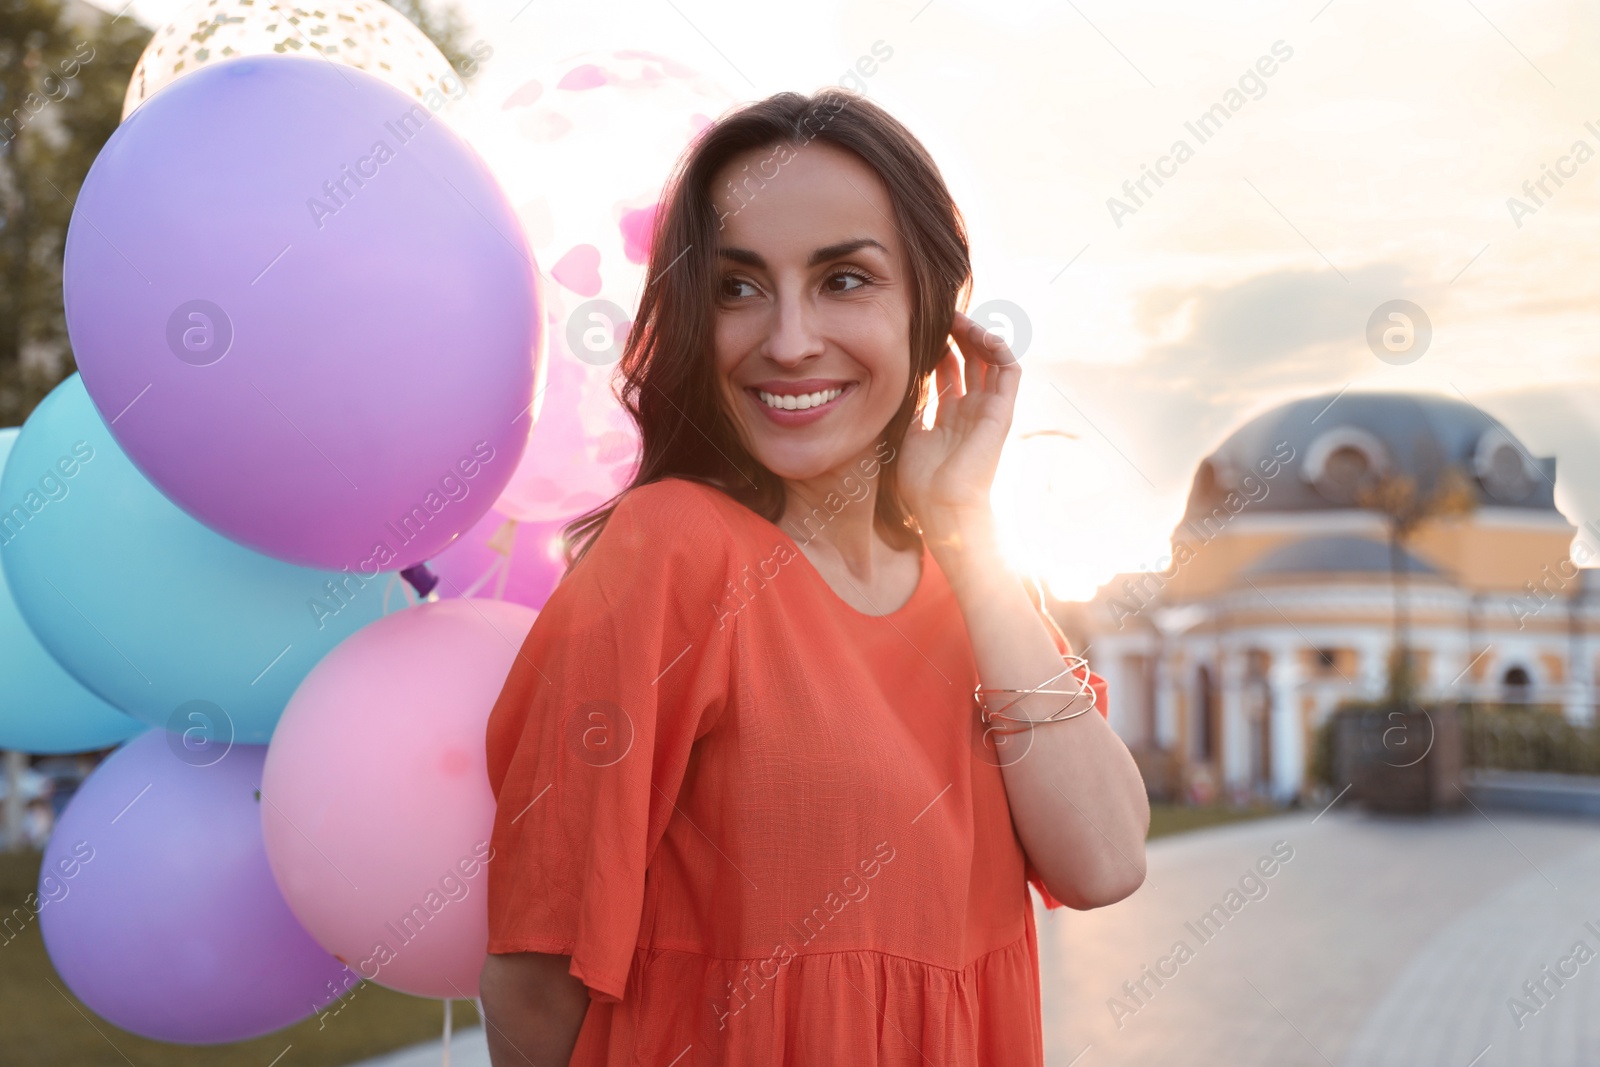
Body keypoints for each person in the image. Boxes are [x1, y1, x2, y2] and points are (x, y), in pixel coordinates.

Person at [479, 87, 1150, 1066]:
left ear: (929, 311)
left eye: (844, 280)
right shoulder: (669, 548)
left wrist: (962, 525)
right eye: (738, 287)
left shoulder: (970, 588)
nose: (788, 339)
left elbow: (1104, 859)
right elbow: (536, 976)